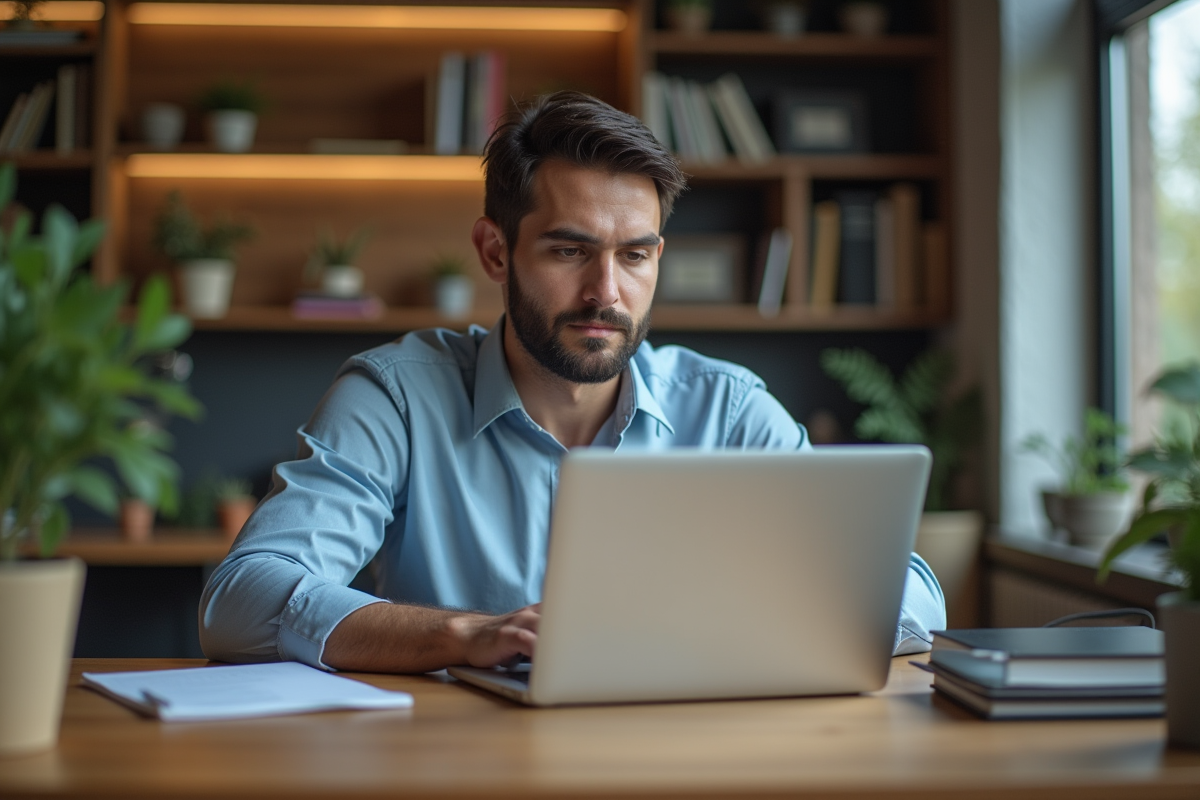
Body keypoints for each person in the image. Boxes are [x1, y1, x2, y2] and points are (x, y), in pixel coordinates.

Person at [199, 92, 945, 673]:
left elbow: (915, 596)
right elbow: (241, 600)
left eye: (635, 256)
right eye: (569, 251)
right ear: (495, 252)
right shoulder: (396, 394)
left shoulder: (729, 409)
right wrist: (467, 634)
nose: (606, 293)